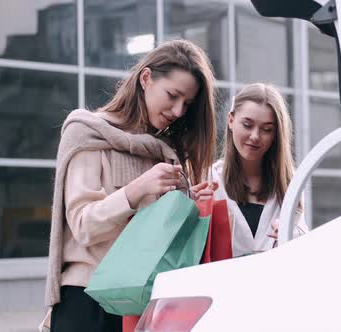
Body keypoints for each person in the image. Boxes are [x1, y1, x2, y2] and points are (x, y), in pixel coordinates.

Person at [44, 39, 218, 332]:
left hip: (145, 304)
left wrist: (189, 204)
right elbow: (83, 225)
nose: (177, 111)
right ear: (146, 78)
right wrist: (137, 190)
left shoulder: (165, 151)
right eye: (173, 95)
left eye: (186, 104)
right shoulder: (88, 132)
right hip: (88, 304)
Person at [211, 83, 308, 257]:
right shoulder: (209, 179)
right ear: (231, 120)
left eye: (267, 129)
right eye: (247, 125)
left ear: (276, 134)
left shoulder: (289, 183)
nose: (255, 136)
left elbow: (304, 246)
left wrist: (293, 237)